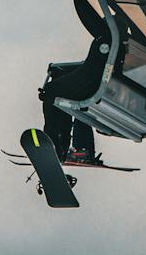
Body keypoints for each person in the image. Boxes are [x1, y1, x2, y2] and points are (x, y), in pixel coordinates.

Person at [35, 36, 108, 165]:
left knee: (52, 92)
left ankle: (59, 145)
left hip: (92, 82)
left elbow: (92, 66)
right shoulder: (112, 41)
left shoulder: (106, 41)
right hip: (94, 81)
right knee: (59, 91)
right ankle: (76, 147)